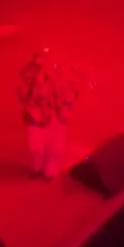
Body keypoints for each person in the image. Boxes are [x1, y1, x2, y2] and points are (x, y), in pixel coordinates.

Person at [16, 49, 80, 180]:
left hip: (57, 116)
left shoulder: (64, 76)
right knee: (36, 147)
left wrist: (63, 102)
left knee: (55, 147)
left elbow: (71, 96)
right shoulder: (29, 75)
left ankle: (50, 171)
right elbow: (22, 93)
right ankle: (37, 168)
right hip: (37, 115)